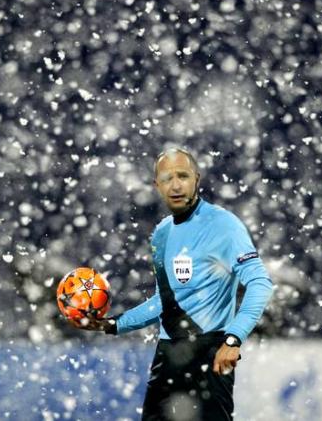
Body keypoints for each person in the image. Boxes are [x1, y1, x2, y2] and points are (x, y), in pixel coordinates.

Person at [70, 147, 274, 421]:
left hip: (210, 353)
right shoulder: (162, 234)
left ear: (197, 179)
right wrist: (113, 324)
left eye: (183, 176)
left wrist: (234, 338)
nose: (176, 185)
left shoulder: (223, 225)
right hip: (167, 357)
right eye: (167, 178)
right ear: (157, 185)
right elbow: (163, 302)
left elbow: (260, 282)